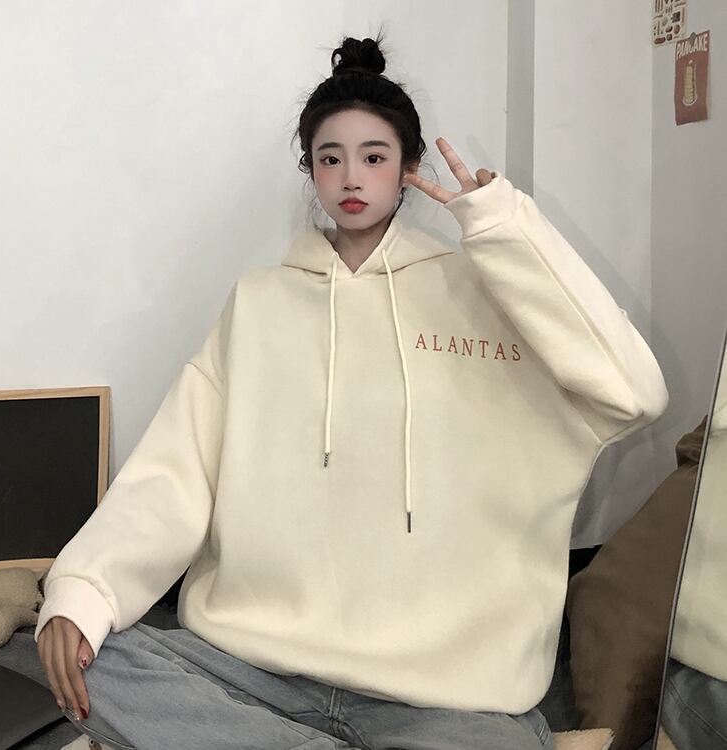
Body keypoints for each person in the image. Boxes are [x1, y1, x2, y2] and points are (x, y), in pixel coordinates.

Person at [35, 32, 669, 750]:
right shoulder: (259, 302)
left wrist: (505, 229)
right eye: (330, 158)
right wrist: (83, 594)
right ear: (310, 170)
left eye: (374, 157)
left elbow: (633, 393)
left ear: (409, 169)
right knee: (95, 659)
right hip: (253, 670)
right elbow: (174, 471)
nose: (351, 178)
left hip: (442, 698)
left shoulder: (487, 293)